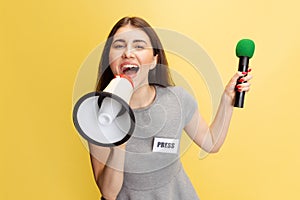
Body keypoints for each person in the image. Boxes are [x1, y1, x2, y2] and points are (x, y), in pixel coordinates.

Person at [88, 16, 252, 200]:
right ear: (109, 58)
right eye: (119, 45)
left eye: (139, 46)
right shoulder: (96, 114)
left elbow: (211, 142)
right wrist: (121, 135)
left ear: (154, 60)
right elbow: (109, 193)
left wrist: (227, 100)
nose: (128, 53)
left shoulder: (177, 99)